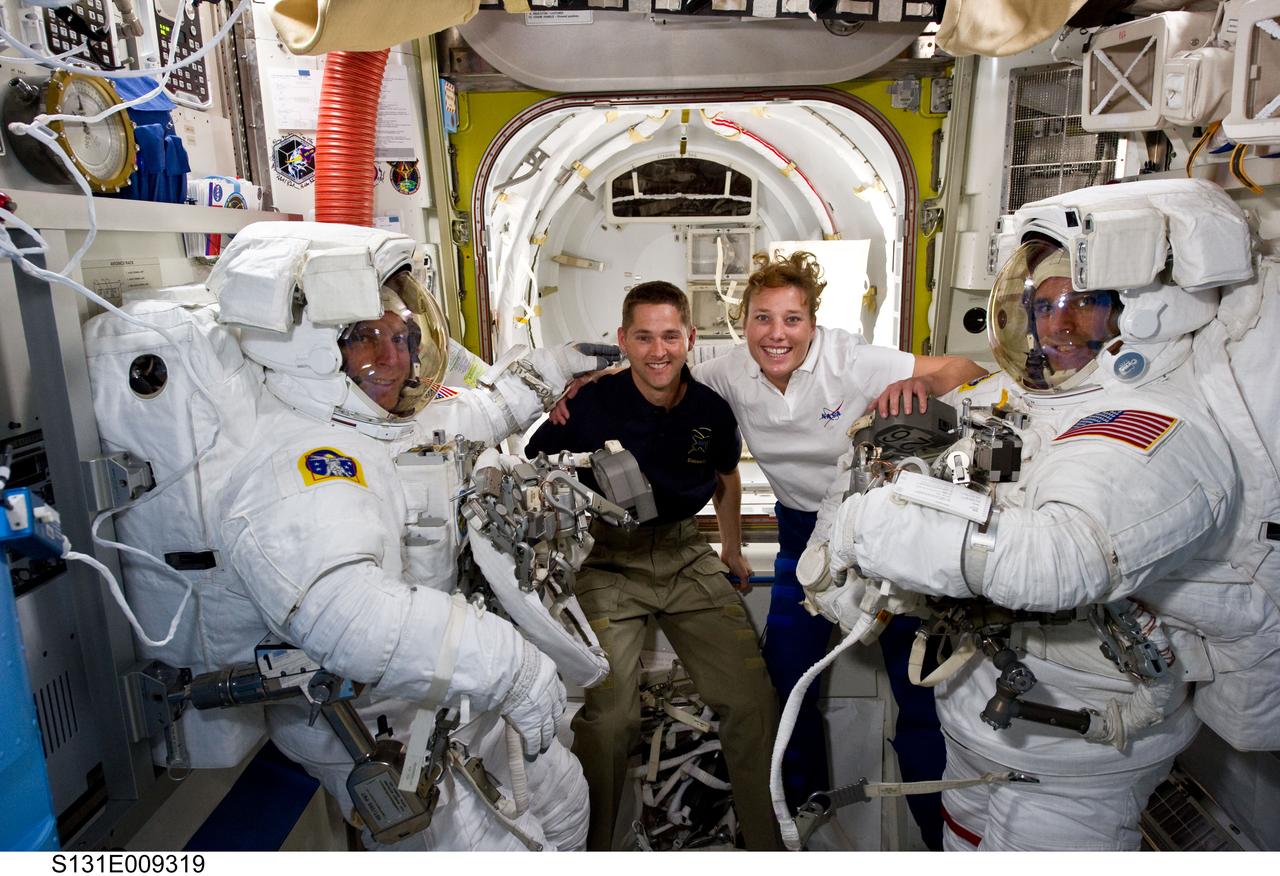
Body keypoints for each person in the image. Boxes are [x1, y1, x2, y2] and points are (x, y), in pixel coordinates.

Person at [817, 179, 1258, 850]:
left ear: (1139, 313)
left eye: (1085, 302)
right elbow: (891, 460)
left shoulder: (1151, 425)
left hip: (1080, 754)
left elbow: (1057, 559)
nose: (1060, 324)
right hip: (981, 710)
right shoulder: (1014, 398)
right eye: (1045, 305)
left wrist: (863, 528)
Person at [197, 221, 618, 850]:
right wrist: (514, 669)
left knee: (565, 805)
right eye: (363, 338)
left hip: (461, 702)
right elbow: (349, 615)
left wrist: (557, 366)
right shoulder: (299, 462)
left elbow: (480, 413)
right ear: (307, 350)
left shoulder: (387, 424)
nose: (391, 359)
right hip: (387, 731)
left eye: (402, 337)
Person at [689, 251, 986, 846]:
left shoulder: (851, 360)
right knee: (785, 681)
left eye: (792, 319)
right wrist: (731, 547)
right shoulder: (724, 372)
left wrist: (919, 382)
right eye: (763, 318)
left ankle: (938, 834)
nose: (777, 334)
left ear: (813, 323)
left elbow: (967, 366)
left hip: (881, 535)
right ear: (742, 321)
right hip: (802, 536)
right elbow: (658, 380)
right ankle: (799, 810)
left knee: (917, 688)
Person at [524, 281, 783, 851]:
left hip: (686, 553)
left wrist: (733, 550)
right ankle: (589, 850)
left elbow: (726, 477)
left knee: (752, 703)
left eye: (670, 336)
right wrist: (557, 396)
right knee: (611, 719)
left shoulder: (709, 410)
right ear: (623, 340)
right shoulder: (592, 402)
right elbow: (534, 464)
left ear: (690, 338)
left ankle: (769, 847)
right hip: (608, 561)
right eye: (643, 337)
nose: (658, 350)